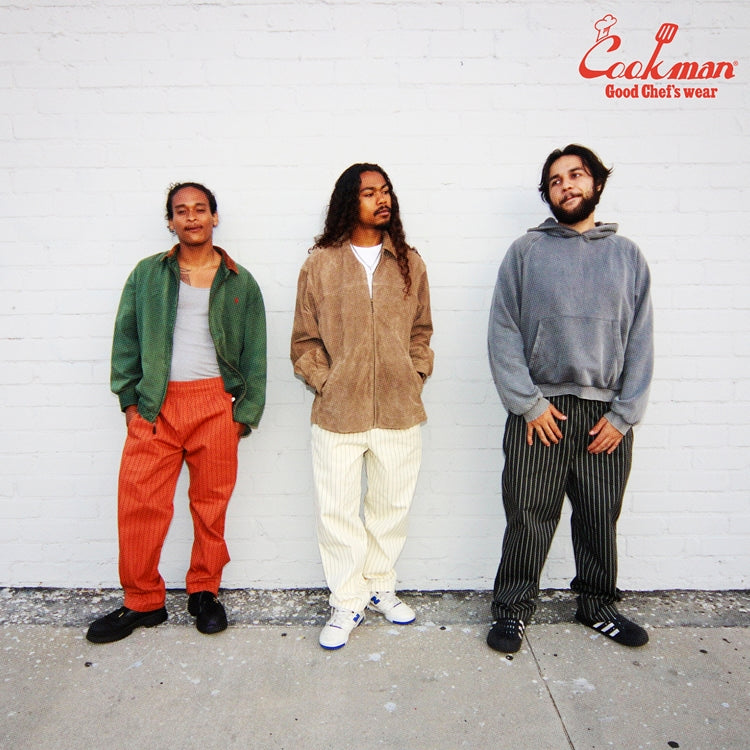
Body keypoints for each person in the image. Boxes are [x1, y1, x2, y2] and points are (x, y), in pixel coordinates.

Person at [486, 145, 654, 653]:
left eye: (576, 175)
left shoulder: (627, 257)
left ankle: (597, 606)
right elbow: (502, 331)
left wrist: (624, 415)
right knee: (528, 516)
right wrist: (528, 404)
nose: (566, 186)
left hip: (605, 416)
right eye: (556, 181)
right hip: (541, 412)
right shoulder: (525, 252)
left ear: (596, 183)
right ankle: (512, 611)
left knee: (599, 516)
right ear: (549, 195)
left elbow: (640, 340)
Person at [86, 182, 267, 644]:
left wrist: (242, 414)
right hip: (156, 404)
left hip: (215, 405)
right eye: (181, 211)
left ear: (214, 217)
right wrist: (131, 403)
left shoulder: (239, 281)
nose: (191, 217)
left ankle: (204, 592)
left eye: (200, 209)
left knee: (210, 506)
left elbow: (255, 353)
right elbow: (126, 339)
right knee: (139, 503)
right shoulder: (148, 275)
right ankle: (142, 601)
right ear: (171, 222)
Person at [291, 163, 434, 650]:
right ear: (348, 201)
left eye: (386, 190)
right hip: (338, 412)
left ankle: (379, 587)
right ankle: (346, 599)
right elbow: (304, 340)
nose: (382, 199)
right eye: (370, 192)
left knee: (391, 507)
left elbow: (421, 332)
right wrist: (326, 383)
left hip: (398, 408)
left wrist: (415, 374)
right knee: (337, 512)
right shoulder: (320, 264)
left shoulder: (409, 262)